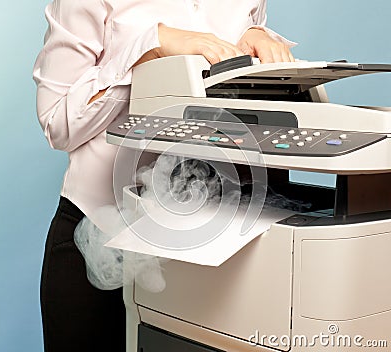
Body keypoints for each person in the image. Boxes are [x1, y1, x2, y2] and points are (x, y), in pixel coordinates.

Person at [33, 1, 295, 351]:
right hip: (100, 237)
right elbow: (58, 125)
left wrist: (257, 41)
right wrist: (147, 50)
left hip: (216, 242)